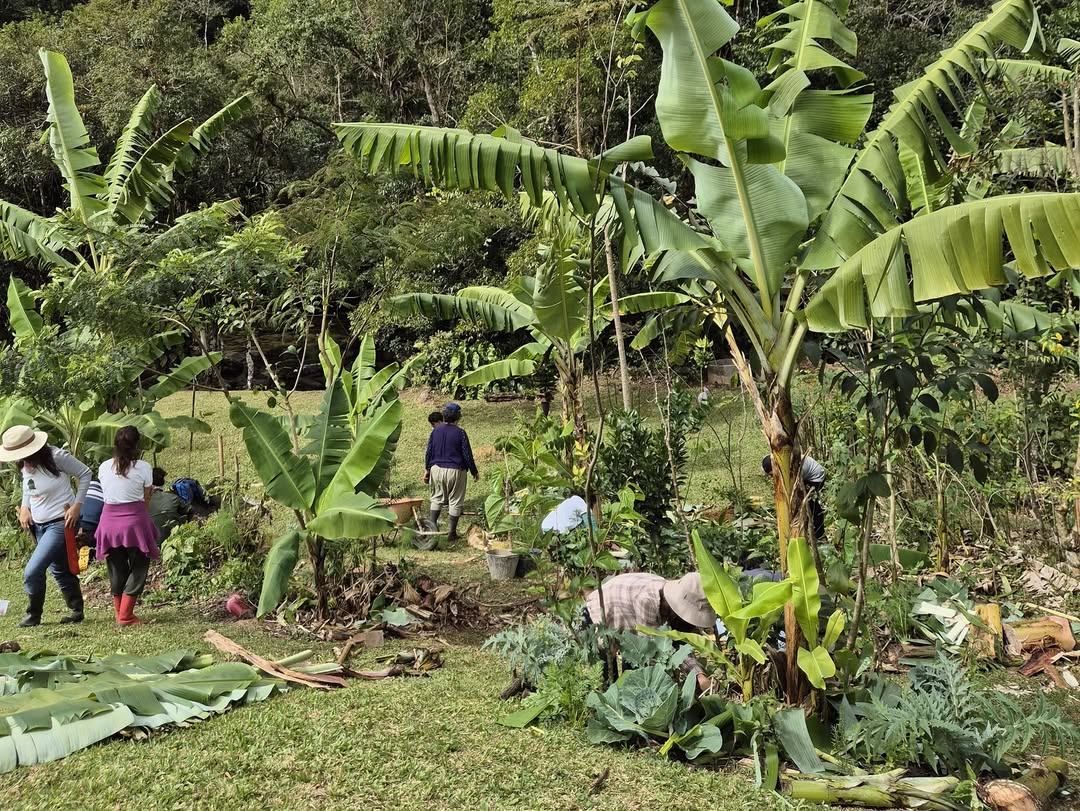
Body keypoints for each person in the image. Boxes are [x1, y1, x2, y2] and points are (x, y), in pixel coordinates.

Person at [0, 425, 91, 627]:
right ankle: (77, 610)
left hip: (61, 522)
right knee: (59, 569)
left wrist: (77, 505)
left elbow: (85, 473)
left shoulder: (57, 457)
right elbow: (28, 487)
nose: (21, 459)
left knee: (32, 571)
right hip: (38, 525)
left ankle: (33, 615)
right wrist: (25, 508)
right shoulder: (25, 463)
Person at [584, 572, 716, 690]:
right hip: (598, 616)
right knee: (605, 680)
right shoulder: (647, 601)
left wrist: (699, 675)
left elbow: (679, 645)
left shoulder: (668, 605)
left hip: (629, 625)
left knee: (633, 665)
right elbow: (651, 651)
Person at [96, 427, 160, 626]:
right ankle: (126, 615)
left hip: (108, 521)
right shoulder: (143, 467)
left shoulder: (104, 466)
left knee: (116, 566)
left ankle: (119, 613)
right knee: (140, 565)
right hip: (134, 520)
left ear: (114, 445)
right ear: (137, 446)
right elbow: (146, 497)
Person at [424, 402, 478, 543]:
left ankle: (432, 529)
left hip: (436, 469)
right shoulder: (460, 432)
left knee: (436, 498)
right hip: (455, 470)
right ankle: (451, 533)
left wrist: (427, 470)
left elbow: (429, 452)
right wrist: (474, 471)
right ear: (458, 417)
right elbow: (467, 454)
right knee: (455, 500)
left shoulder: (435, 431)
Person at [762, 454, 827, 542]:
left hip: (815, 479)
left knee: (810, 505)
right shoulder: (780, 460)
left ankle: (819, 535)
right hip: (806, 476)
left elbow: (793, 487)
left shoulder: (794, 468)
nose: (772, 477)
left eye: (772, 474)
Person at [148, 467, 192, 537]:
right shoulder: (173, 497)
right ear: (163, 481)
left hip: (150, 542)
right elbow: (190, 510)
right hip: (173, 539)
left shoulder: (142, 503)